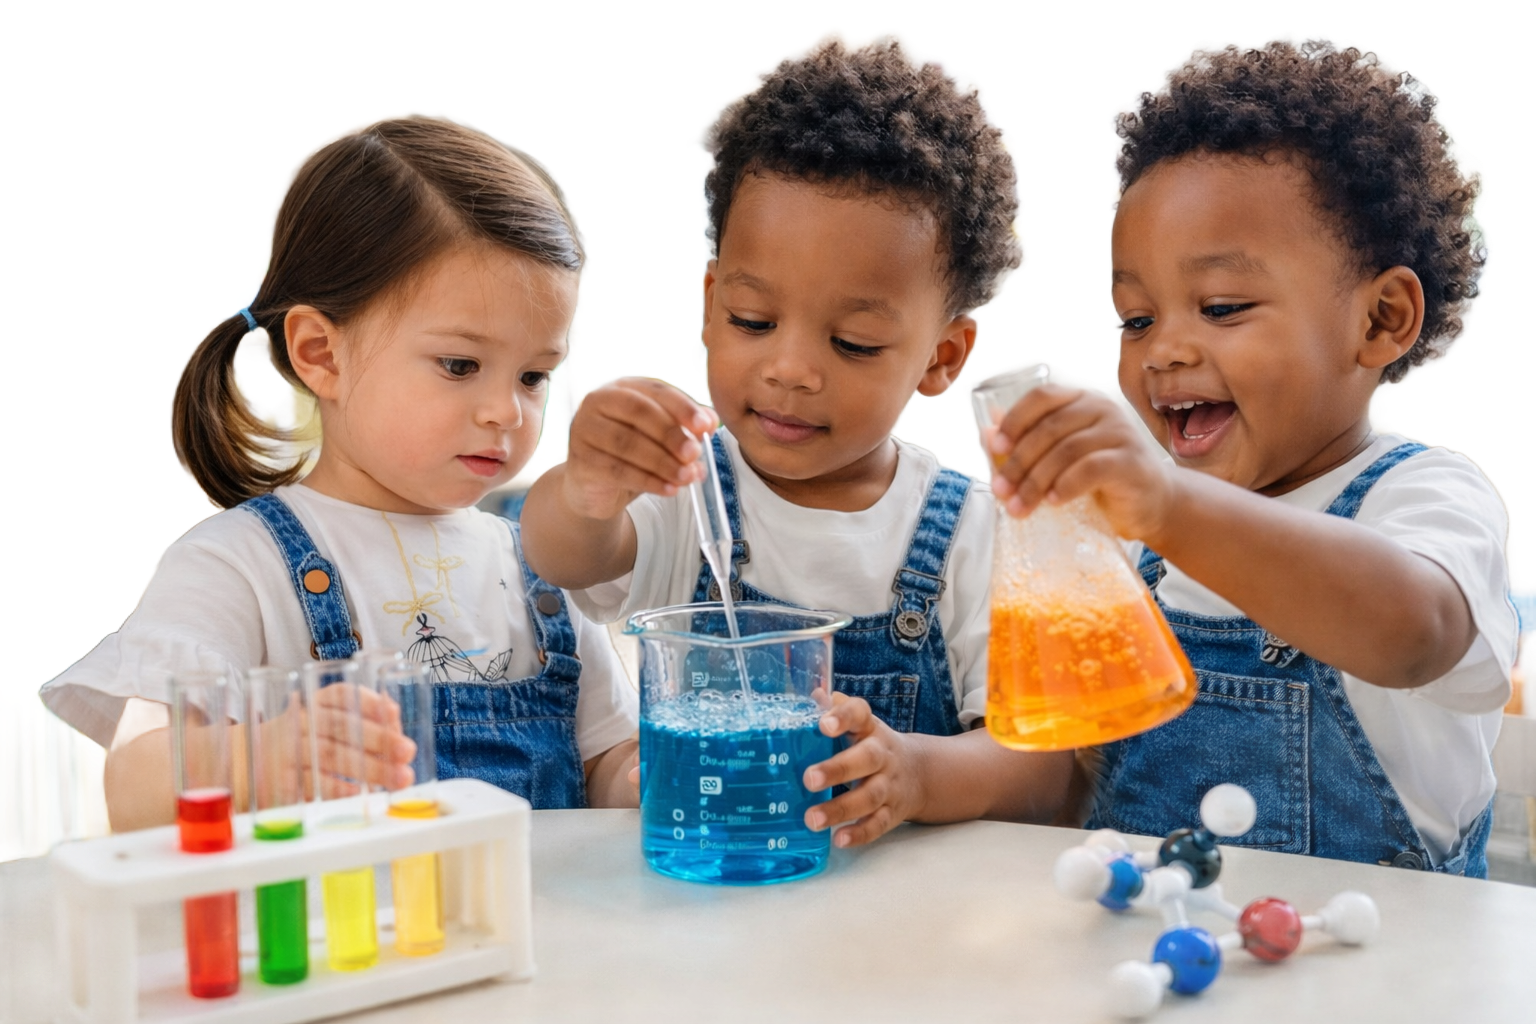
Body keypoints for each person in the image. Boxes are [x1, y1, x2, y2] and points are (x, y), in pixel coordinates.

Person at [521, 28, 1074, 849]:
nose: (791, 369)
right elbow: (565, 556)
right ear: (711, 305)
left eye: (851, 343)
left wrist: (917, 774)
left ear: (942, 356)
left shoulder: (976, 530)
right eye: (753, 321)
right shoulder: (686, 486)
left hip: (909, 938)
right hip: (716, 913)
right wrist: (589, 485)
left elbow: (1043, 769)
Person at [988, 31, 1514, 875]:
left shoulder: (1425, 495)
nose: (1162, 352)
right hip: (1151, 970)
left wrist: (1169, 507)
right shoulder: (1130, 535)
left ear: (1381, 321)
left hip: (1373, 984)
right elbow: (1064, 778)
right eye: (1136, 319)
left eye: (1224, 306)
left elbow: (1414, 631)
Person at [38, 111, 639, 831]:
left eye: (532, 374)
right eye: (460, 365)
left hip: (548, 942)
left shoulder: (547, 568)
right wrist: (262, 756)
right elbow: (136, 788)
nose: (506, 413)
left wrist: (669, 774)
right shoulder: (235, 566)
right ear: (322, 354)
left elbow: (608, 765)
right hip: (345, 942)